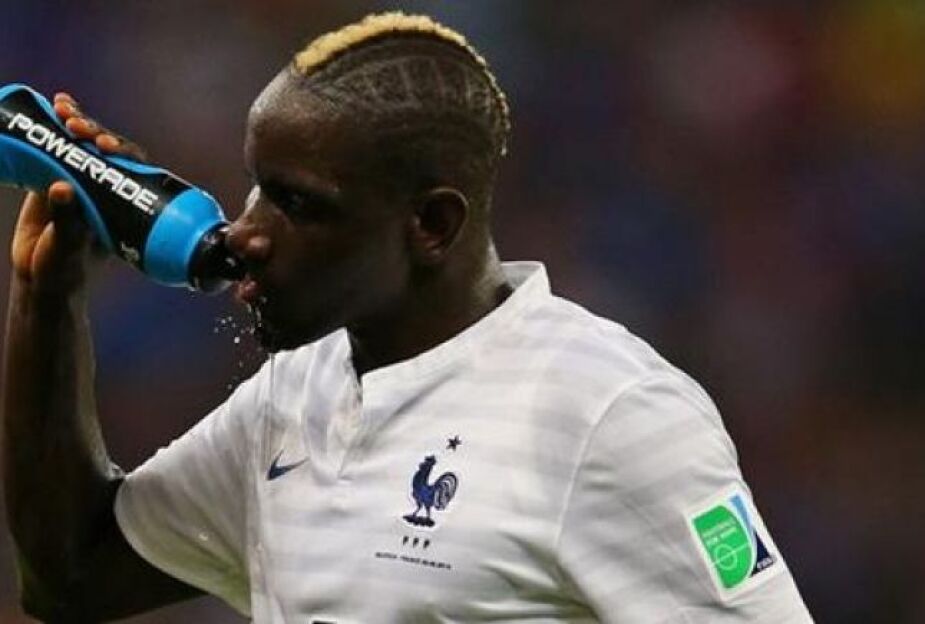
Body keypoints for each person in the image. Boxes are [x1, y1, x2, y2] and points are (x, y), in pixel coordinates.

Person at [2, 11, 813, 623]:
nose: (247, 233)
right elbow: (72, 578)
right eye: (257, 187)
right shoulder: (297, 393)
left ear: (431, 225)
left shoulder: (608, 414)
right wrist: (48, 294)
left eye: (297, 204)